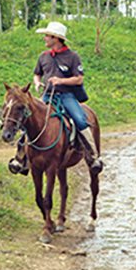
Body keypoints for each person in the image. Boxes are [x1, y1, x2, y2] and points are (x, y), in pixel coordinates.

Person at [33, 21, 102, 172]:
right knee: (30, 118)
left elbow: (79, 79)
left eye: (46, 36)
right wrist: (37, 83)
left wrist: (61, 81)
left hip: (67, 96)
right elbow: (37, 74)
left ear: (55, 38)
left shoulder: (72, 56)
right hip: (47, 96)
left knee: (80, 120)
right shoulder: (43, 57)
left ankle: (93, 156)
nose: (44, 38)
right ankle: (22, 158)